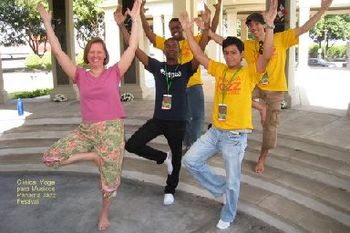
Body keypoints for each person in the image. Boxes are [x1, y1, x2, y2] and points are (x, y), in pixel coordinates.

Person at [38, 0, 141, 231]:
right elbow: (57, 51)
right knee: (50, 157)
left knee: (110, 182)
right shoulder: (79, 75)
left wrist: (135, 21)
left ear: (105, 55)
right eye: (92, 52)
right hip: (87, 131)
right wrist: (47, 23)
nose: (95, 55)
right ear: (88, 55)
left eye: (99, 52)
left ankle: (103, 214)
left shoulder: (115, 72)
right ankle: (93, 157)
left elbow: (132, 48)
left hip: (113, 132)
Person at [181, 0, 277, 229]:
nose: (229, 56)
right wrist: (187, 31)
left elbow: (267, 54)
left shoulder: (250, 73)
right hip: (215, 132)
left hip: (235, 136)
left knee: (234, 180)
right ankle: (219, 189)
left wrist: (270, 27)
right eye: (226, 53)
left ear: (242, 54)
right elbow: (198, 54)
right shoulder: (220, 69)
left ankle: (229, 212)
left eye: (233, 53)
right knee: (190, 160)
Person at [207, 0, 333, 174]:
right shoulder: (249, 45)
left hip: (275, 90)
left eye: (257, 24)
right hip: (257, 85)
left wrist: (323, 9)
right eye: (250, 26)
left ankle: (262, 158)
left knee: (270, 126)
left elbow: (304, 28)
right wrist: (206, 29)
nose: (253, 28)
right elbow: (224, 41)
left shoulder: (281, 38)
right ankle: (260, 107)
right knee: (235, 94)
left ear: (265, 24)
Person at [115, 5, 209, 205]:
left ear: (179, 50)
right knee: (132, 145)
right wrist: (123, 26)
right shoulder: (157, 67)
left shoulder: (186, 68)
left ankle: (170, 189)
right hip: (158, 120)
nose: (171, 48)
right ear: (164, 50)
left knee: (177, 158)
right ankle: (161, 157)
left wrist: (204, 28)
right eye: (168, 46)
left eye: (174, 46)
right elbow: (134, 49)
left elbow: (200, 50)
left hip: (178, 123)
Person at [140, 0, 222, 150]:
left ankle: (193, 145)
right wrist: (140, 12)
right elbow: (148, 34)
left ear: (182, 27)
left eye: (177, 26)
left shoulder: (194, 39)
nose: (175, 30)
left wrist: (217, 10)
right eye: (172, 28)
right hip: (177, 87)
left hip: (194, 85)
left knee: (197, 117)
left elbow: (210, 30)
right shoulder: (168, 44)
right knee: (183, 118)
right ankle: (185, 143)